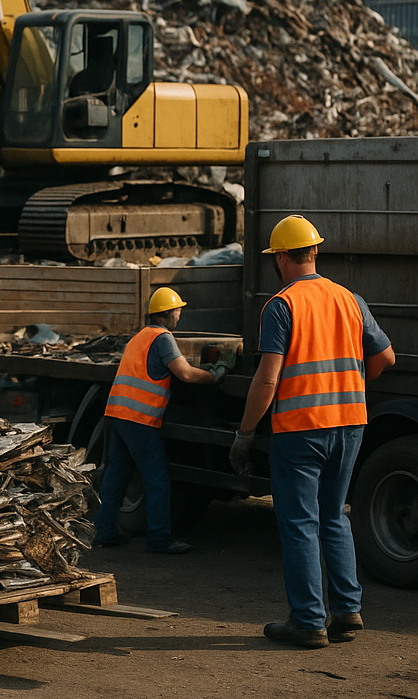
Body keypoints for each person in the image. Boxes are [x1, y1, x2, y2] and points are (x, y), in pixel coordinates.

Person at [229, 214, 395, 649]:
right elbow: (385, 358)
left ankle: (307, 621)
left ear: (280, 257)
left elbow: (267, 380)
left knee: (300, 523)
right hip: (351, 424)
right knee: (334, 515)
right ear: (315, 251)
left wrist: (245, 434)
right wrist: (346, 385)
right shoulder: (350, 299)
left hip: (301, 430)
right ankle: (347, 611)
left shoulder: (281, 305)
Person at [94, 287, 234, 554]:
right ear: (169, 313)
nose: (180, 314)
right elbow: (186, 374)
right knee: (156, 478)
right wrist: (214, 375)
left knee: (116, 475)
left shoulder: (139, 338)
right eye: (178, 310)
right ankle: (159, 538)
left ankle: (105, 532)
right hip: (139, 420)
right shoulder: (163, 338)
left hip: (117, 414)